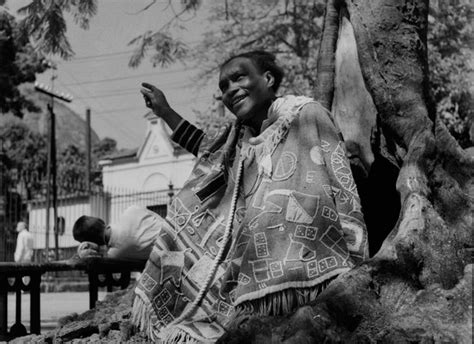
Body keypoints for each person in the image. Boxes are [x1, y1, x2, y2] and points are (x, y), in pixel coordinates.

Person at [76, 50, 368, 343]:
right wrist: (164, 112)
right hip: (245, 266)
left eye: (238, 77)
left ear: (267, 79)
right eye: (223, 86)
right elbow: (208, 153)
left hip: (308, 265)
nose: (230, 90)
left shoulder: (305, 115)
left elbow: (334, 180)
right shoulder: (238, 138)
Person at [73, 205, 163, 261]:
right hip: (174, 234)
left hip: (168, 259)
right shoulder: (131, 210)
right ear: (100, 220)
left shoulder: (115, 255)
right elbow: (160, 219)